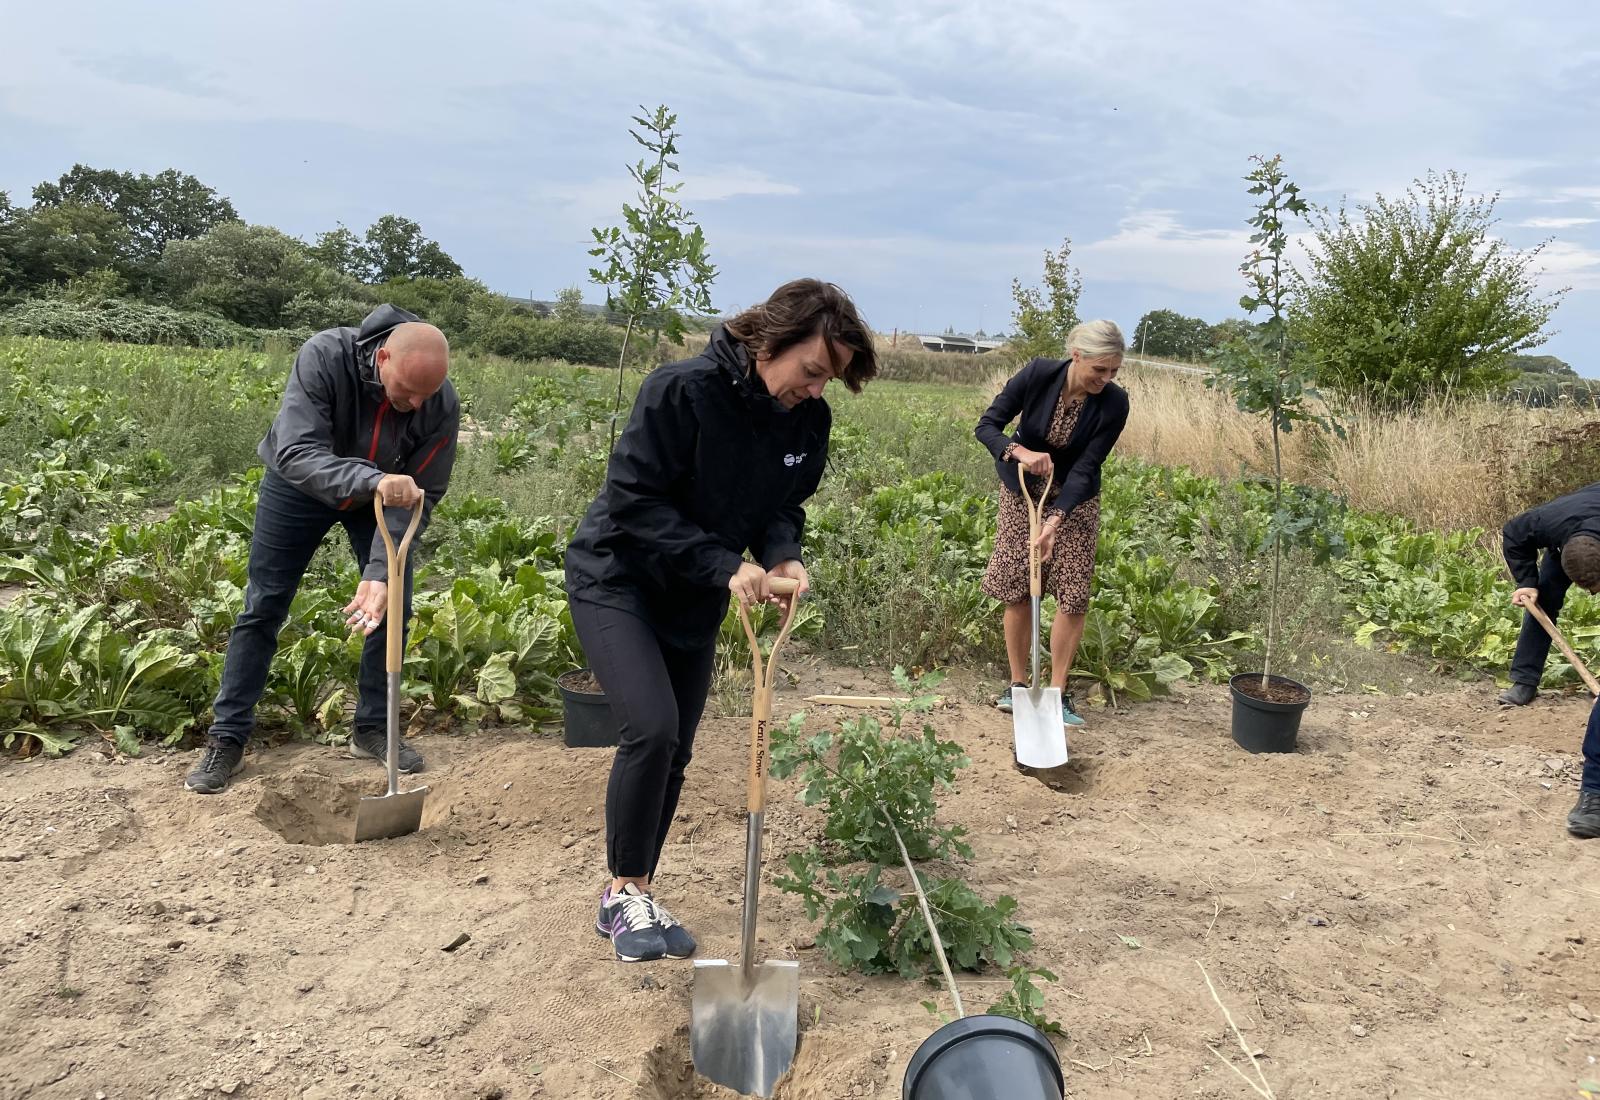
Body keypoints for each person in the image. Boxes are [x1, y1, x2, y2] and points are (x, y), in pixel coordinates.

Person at [564, 278, 877, 962]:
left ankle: (637, 891)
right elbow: (633, 501)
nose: (818, 390)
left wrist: (782, 557)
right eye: (813, 371)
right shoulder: (679, 392)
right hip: (617, 577)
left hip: (696, 593)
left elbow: (781, 506)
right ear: (769, 342)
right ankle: (620, 893)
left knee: (676, 748)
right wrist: (723, 563)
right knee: (650, 727)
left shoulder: (806, 422)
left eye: (832, 380)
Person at [184, 306, 459, 795]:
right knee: (264, 604)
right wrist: (375, 479)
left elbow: (421, 491)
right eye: (407, 391)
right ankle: (228, 738)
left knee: (394, 604)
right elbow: (295, 451)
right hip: (300, 486)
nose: (417, 404)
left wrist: (381, 570)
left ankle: (373, 728)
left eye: (427, 394)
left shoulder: (438, 403)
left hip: (382, 497)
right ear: (383, 357)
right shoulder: (326, 355)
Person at [974, 320, 1129, 726]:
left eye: (1114, 371)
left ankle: (1056, 693)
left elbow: (1088, 465)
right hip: (1023, 490)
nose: (1106, 379)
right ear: (1077, 355)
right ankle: (1019, 685)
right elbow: (986, 427)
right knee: (1018, 586)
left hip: (1076, 501)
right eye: (1100, 369)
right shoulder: (1039, 374)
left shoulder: (1115, 403)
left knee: (1073, 592)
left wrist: (1057, 518)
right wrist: (1018, 451)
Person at [1497, 482, 1600, 706]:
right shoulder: (1546, 522)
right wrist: (1526, 582)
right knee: (1543, 599)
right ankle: (1524, 681)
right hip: (1569, 535)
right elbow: (1513, 534)